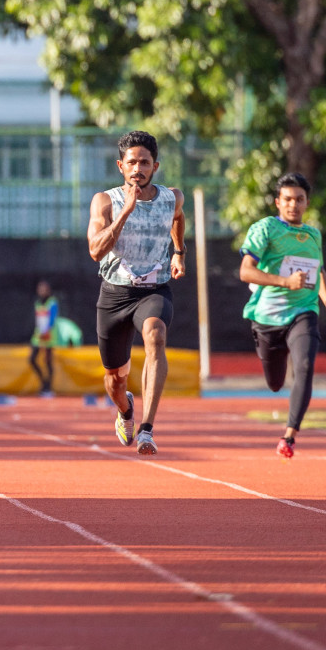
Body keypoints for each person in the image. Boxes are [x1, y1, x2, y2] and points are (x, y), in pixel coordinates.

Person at [87, 130, 186, 457]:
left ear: (155, 166)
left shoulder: (172, 197)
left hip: (153, 290)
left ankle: (146, 429)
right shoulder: (105, 200)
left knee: (156, 335)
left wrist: (179, 251)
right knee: (115, 380)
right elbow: (95, 251)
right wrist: (125, 211)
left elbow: (177, 217)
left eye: (144, 162)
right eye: (132, 162)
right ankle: (126, 410)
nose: (137, 169)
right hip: (115, 294)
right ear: (120, 165)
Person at [239, 172, 326, 458]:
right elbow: (245, 271)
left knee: (306, 367)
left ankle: (289, 435)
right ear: (277, 202)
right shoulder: (266, 229)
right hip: (267, 318)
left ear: (307, 202)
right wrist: (285, 282)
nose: (293, 205)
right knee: (275, 384)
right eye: (287, 199)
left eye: (299, 199)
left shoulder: (313, 234)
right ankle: (276, 352)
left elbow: (318, 270)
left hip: (304, 312)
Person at [30, 281, 59, 395]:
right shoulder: (37, 302)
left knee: (48, 361)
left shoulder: (52, 302)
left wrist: (46, 330)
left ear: (49, 290)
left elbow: (52, 318)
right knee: (32, 359)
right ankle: (43, 382)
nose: (42, 291)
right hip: (38, 335)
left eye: (45, 289)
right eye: (40, 289)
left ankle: (48, 388)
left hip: (48, 335)